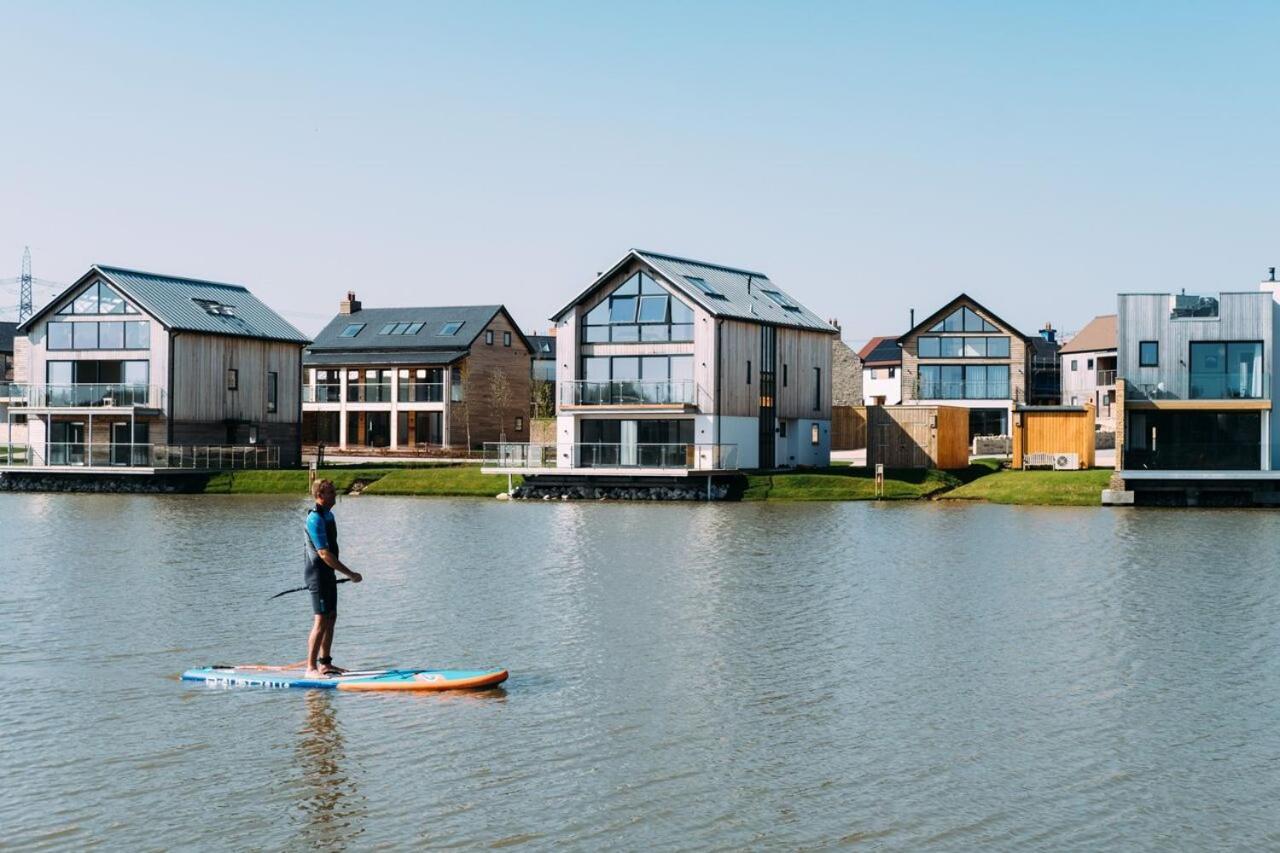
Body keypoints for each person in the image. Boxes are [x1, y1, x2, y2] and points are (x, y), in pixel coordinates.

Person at [304, 479, 362, 677]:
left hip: (328, 573)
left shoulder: (329, 515)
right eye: (330, 492)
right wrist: (350, 573)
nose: (335, 494)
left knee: (331, 616)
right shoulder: (314, 518)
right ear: (320, 495)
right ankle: (310, 668)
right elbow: (323, 554)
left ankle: (325, 664)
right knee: (320, 620)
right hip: (317, 574)